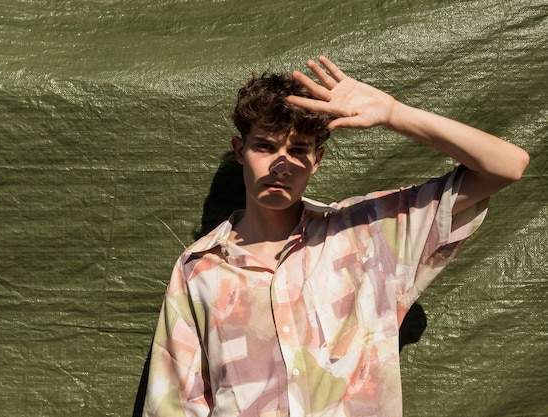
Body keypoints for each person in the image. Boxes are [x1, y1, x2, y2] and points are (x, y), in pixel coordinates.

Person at [141, 56, 529, 416]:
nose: (280, 163)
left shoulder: (371, 235)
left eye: (298, 149)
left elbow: (507, 166)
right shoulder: (199, 268)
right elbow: (174, 402)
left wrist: (394, 114)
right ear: (240, 151)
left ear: (317, 159)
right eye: (265, 146)